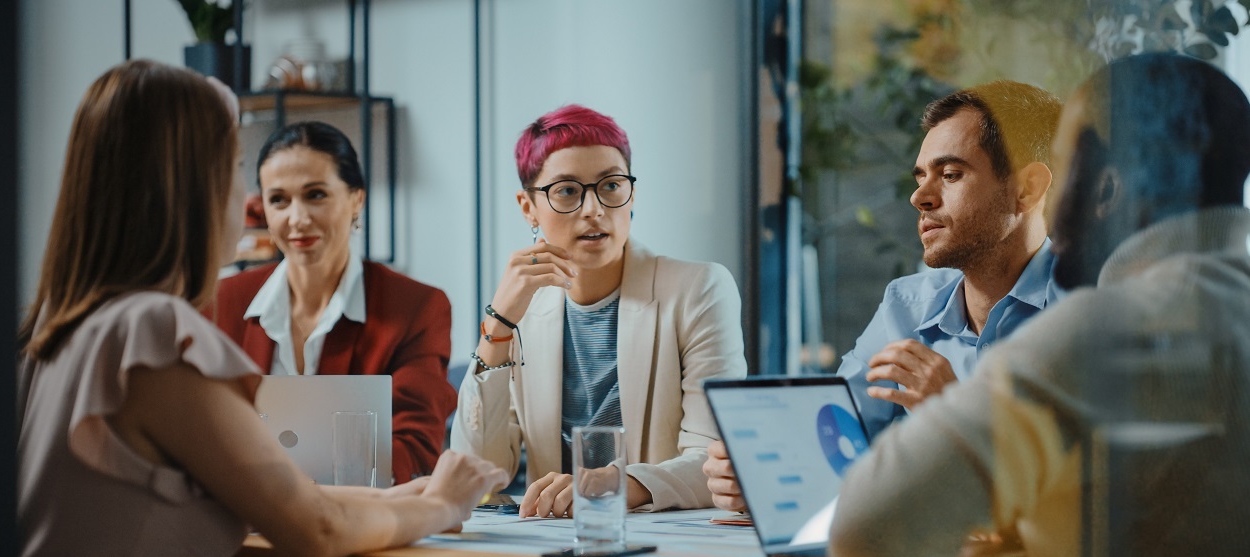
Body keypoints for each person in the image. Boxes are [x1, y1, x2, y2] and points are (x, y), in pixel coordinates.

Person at [16, 60, 506, 557]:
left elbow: (249, 487)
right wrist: (443, 505)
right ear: (191, 188)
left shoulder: (56, 325)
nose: (253, 203)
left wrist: (395, 497)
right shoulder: (154, 333)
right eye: (233, 167)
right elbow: (318, 530)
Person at [829, 53, 1250, 557]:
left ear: (1105, 186)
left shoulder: (1098, 330)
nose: (920, 197)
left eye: (1065, 167)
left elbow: (866, 527)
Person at [705, 80, 1064, 513]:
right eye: (921, 177)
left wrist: (956, 420)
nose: (920, 197)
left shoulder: (1094, 315)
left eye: (950, 175)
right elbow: (840, 437)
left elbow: (1087, 505)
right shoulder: (906, 306)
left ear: (1027, 189)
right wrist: (763, 472)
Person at [450, 104, 747, 517]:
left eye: (611, 185)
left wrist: (615, 482)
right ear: (527, 207)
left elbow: (713, 461)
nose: (594, 209)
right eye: (568, 190)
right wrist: (498, 323)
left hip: (664, 538)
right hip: (554, 540)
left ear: (632, 195)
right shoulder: (522, 313)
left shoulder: (698, 290)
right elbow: (477, 472)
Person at [214, 121, 455, 483]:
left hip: (359, 522)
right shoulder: (222, 302)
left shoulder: (416, 307)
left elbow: (416, 450)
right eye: (278, 199)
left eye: (315, 195)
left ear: (356, 198)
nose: (297, 218)